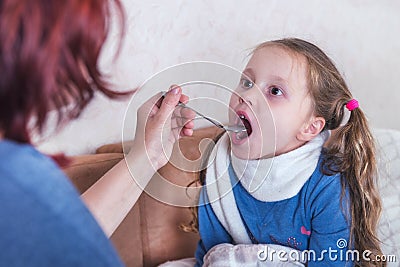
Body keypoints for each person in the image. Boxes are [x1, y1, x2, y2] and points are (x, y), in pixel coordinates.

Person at [0, 0, 194, 266]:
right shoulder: (22, 180)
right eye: (80, 49)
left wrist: (149, 154)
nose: (86, 72)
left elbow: (60, 238)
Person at [186, 38, 383, 266]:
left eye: (275, 91)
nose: (247, 96)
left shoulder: (326, 187)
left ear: (309, 127)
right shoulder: (218, 168)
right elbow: (213, 255)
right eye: (247, 82)